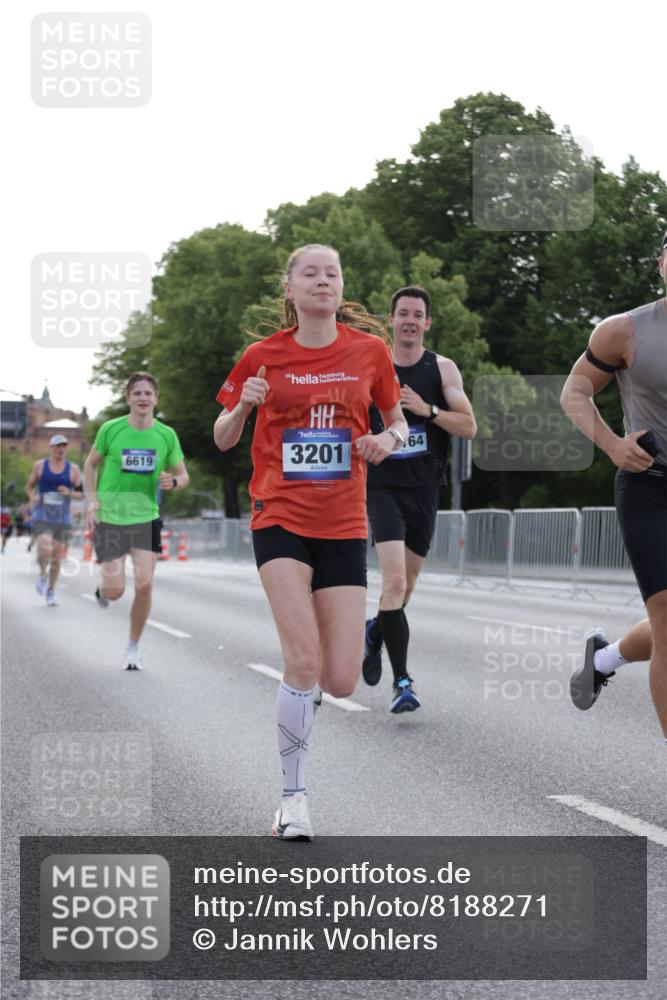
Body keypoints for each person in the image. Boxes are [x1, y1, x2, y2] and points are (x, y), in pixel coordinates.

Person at [214, 244, 407, 840]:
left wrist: (388, 441)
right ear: (291, 288)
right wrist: (243, 409)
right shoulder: (262, 357)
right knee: (302, 660)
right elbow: (221, 439)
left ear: (340, 287)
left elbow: (397, 421)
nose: (323, 281)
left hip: (344, 523)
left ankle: (304, 699)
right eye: (310, 273)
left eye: (332, 273)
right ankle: (292, 799)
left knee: (341, 680)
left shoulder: (369, 351)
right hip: (280, 517)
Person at [562, 230, 667, 743]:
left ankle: (604, 658)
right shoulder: (624, 330)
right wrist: (611, 444)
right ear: (661, 263)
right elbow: (575, 390)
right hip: (649, 485)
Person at [363, 286, 476, 712]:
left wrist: (426, 410)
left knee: (404, 591)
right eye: (403, 313)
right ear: (390, 319)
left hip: (425, 489)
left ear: (427, 323)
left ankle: (375, 632)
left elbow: (468, 427)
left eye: (418, 315)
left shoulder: (442, 369)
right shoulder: (372, 366)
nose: (410, 320)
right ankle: (403, 683)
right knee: (392, 582)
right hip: (382, 487)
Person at [83, 372, 189, 670]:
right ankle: (103, 591)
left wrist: (174, 482)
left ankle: (133, 647)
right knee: (115, 592)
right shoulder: (111, 429)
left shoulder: (166, 435)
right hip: (111, 519)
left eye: (148, 393)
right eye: (137, 393)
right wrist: (92, 500)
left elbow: (183, 475)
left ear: (156, 398)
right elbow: (90, 465)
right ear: (129, 398)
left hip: (146, 519)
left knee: (144, 587)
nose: (143, 398)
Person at [25, 435, 81, 606]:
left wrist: (69, 493)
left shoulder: (73, 469)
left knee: (56, 555)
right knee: (43, 547)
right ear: (51, 447)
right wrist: (32, 496)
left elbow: (82, 494)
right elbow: (29, 486)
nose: (60, 449)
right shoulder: (40, 466)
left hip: (62, 516)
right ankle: (43, 574)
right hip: (42, 514)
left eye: (63, 445)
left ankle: (51, 590)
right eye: (57, 445)